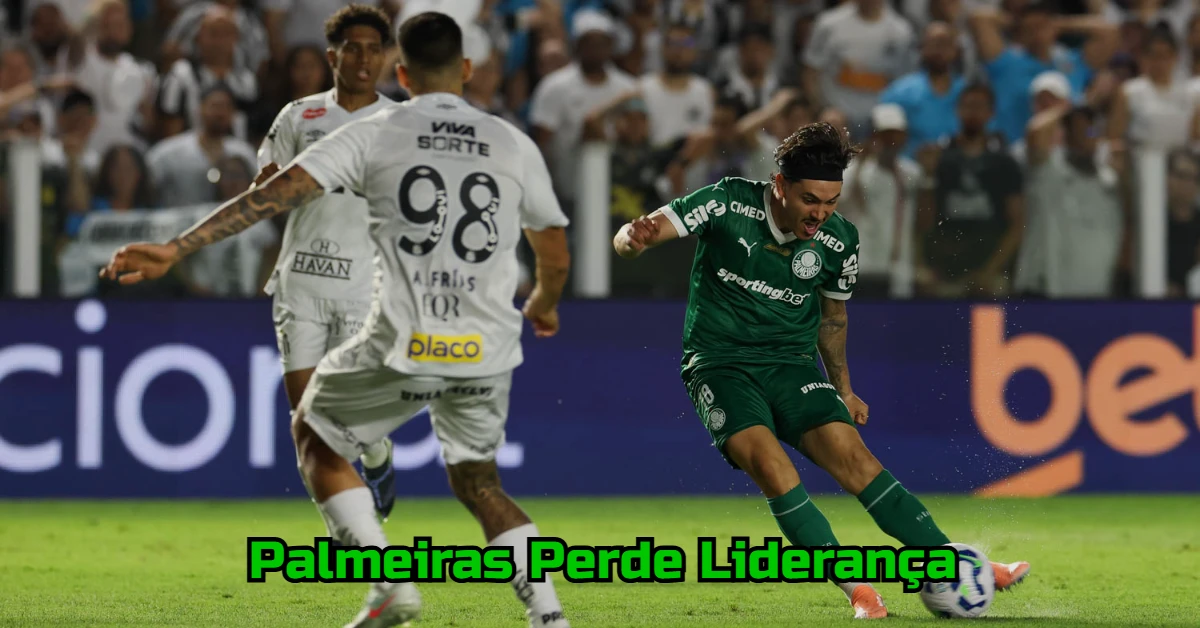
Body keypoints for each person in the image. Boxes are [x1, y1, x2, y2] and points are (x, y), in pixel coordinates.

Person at [101, 12, 572, 628]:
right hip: (485, 345)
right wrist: (543, 303)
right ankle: (549, 615)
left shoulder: (377, 131)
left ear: (401, 73)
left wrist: (177, 247)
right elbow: (554, 252)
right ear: (465, 69)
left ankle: (389, 585)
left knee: (314, 434)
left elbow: (269, 196)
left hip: (405, 336)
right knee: (481, 484)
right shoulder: (512, 143)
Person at [611, 121, 1030, 620]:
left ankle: (960, 566)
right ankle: (859, 590)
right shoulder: (727, 202)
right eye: (810, 200)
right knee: (773, 469)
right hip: (720, 366)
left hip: (791, 366)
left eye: (831, 202)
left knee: (856, 460)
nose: (820, 214)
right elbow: (638, 234)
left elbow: (832, 320)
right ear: (780, 185)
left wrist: (844, 390)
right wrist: (632, 239)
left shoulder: (839, 239)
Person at [253, 4, 398, 521]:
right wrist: (269, 186)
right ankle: (349, 532)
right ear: (332, 57)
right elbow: (266, 187)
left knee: (355, 424)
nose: (364, 59)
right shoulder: (299, 115)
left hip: (365, 288)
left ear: (384, 58)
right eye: (353, 49)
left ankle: (377, 457)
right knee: (308, 423)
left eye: (374, 49)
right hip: (301, 285)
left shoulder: (398, 123)